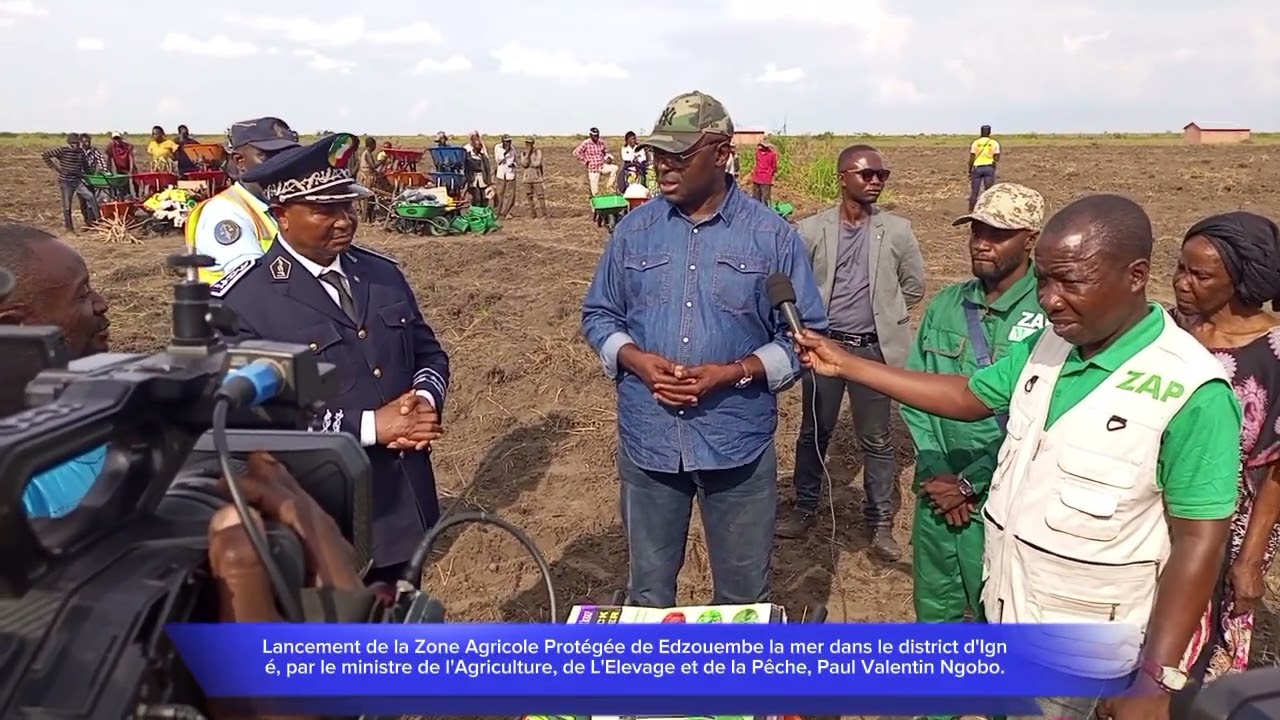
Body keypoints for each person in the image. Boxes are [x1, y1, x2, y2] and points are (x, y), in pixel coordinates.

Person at [792, 193, 1242, 720]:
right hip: (1007, 612)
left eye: (1069, 282)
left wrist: (1154, 679)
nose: (1049, 300)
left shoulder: (1191, 390)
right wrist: (848, 365)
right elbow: (969, 396)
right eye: (1045, 281)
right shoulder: (1050, 346)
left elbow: (1200, 538)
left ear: (1136, 275)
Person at [581, 91, 827, 607]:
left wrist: (734, 372)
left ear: (721, 153)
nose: (662, 167)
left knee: (741, 599)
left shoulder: (772, 237)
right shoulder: (633, 231)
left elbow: (804, 338)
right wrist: (635, 360)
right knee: (648, 593)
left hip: (737, 445)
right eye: (657, 155)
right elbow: (600, 315)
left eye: (679, 155)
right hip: (649, 446)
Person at [209, 132, 451, 586]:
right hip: (320, 519)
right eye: (324, 210)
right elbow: (249, 421)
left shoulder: (381, 274)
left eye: (349, 207)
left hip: (404, 503)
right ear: (281, 215)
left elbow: (427, 352)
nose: (343, 222)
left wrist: (422, 401)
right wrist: (370, 427)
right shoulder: (244, 303)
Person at [901, 184, 1046, 667]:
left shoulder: (1052, 315)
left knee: (1003, 616)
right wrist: (939, 471)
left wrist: (970, 481)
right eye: (977, 230)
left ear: (1030, 239)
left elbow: (1042, 418)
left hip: (1007, 496)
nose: (982, 242)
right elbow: (915, 395)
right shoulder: (946, 305)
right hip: (938, 489)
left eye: (998, 234)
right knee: (937, 609)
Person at [777, 144, 925, 563]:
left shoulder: (897, 230)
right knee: (814, 432)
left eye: (882, 174)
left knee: (877, 440)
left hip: (872, 352)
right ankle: (805, 509)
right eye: (867, 174)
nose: (876, 181)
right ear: (843, 177)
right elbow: (795, 283)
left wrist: (885, 314)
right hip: (826, 348)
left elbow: (912, 286)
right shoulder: (811, 230)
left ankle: (879, 523)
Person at [1172, 211, 1280, 682]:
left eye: (1200, 275)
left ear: (1240, 280)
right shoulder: (1171, 331)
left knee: (1200, 649)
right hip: (1161, 506)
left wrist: (1250, 560)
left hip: (1229, 520)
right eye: (1180, 268)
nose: (1182, 282)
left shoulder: (1274, 349)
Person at [0, 222, 111, 518]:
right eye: (82, 294)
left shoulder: (105, 397)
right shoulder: (16, 478)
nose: (102, 304)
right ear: (13, 327)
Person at [184, 117, 301, 283]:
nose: (282, 165)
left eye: (288, 156)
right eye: (269, 157)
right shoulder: (226, 212)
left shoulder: (280, 203)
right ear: (240, 161)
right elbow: (257, 285)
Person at [41, 133, 99, 232]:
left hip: (77, 180)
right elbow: (45, 155)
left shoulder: (81, 152)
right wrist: (56, 168)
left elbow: (85, 166)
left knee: (91, 197)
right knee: (67, 204)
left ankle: (98, 221)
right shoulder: (63, 150)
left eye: (77, 143)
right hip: (66, 181)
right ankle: (69, 228)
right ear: (69, 143)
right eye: (73, 143)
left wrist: (91, 175)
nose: (75, 145)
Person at [572, 127, 618, 196]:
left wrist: (609, 157)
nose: (596, 137)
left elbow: (605, 152)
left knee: (614, 168)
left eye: (597, 135)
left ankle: (609, 186)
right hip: (593, 169)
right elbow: (576, 152)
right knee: (595, 192)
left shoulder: (601, 143)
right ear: (590, 135)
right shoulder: (586, 143)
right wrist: (586, 161)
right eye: (594, 135)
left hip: (602, 166)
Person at [967, 124, 1000, 211]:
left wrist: (970, 170)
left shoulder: (976, 143)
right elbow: (996, 158)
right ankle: (987, 210)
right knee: (988, 191)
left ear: (981, 132)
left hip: (977, 168)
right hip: (989, 168)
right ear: (989, 132)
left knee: (974, 191)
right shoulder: (994, 143)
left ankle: (971, 210)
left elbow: (971, 158)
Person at [519, 136, 548, 219]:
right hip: (527, 178)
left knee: (540, 196)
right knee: (529, 197)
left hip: (536, 177)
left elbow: (537, 163)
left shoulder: (538, 152)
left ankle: (544, 214)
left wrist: (529, 161)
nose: (529, 145)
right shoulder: (523, 153)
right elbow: (524, 164)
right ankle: (533, 215)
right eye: (527, 143)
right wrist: (527, 154)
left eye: (530, 143)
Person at [464, 131, 492, 208]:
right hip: (473, 178)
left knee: (484, 196)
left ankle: (483, 211)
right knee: (476, 196)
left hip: (482, 177)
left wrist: (489, 181)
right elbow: (466, 168)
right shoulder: (468, 153)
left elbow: (487, 168)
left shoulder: (483, 156)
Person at [492, 134, 518, 219]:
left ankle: (507, 212)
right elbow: (498, 160)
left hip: (510, 174)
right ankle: (497, 212)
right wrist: (505, 152)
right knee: (499, 194)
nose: (508, 143)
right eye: (506, 142)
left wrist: (513, 164)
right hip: (501, 173)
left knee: (510, 194)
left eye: (509, 141)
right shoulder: (498, 148)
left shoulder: (513, 149)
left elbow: (516, 160)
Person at [750, 139, 777, 205]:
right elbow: (756, 164)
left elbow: (774, 166)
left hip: (766, 178)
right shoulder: (757, 153)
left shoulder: (772, 154)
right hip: (757, 177)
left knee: (765, 198)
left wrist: (772, 176)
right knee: (756, 198)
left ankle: (765, 211)